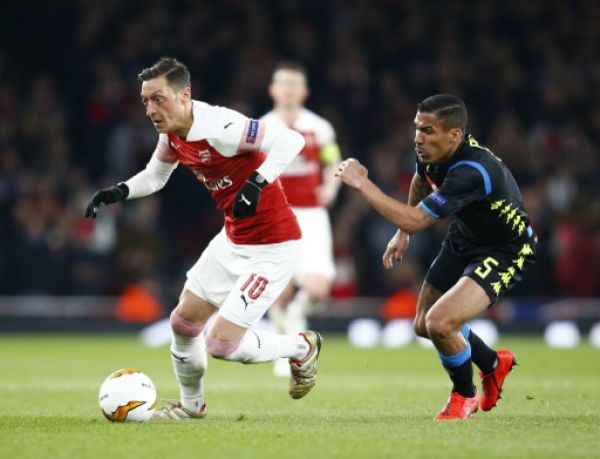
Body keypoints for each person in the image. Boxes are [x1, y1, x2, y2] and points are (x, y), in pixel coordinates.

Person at [84, 57, 323, 420]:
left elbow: (289, 140)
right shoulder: (172, 132)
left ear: (185, 94)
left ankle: (300, 346)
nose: (150, 109)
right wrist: (118, 192)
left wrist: (257, 184)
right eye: (145, 100)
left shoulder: (221, 126)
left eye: (158, 98)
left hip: (273, 246)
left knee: (221, 344)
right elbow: (156, 175)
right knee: (183, 323)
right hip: (233, 241)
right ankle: (191, 407)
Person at [335, 94, 537, 420]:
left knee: (440, 323)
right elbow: (421, 179)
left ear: (454, 135)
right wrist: (403, 235)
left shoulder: (472, 170)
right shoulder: (430, 153)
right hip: (465, 238)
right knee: (422, 325)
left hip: (505, 250)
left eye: (427, 130)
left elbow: (415, 218)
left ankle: (464, 395)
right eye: (417, 128)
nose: (418, 137)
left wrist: (362, 183)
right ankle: (492, 363)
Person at [260, 62, 341, 377]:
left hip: (311, 213)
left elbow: (331, 159)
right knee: (278, 288)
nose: (289, 90)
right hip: (276, 214)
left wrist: (331, 186)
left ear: (304, 91)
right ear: (273, 90)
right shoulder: (262, 127)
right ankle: (286, 351)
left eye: (295, 85)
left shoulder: (319, 128)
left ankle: (295, 320)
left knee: (319, 288)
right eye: (283, 84)